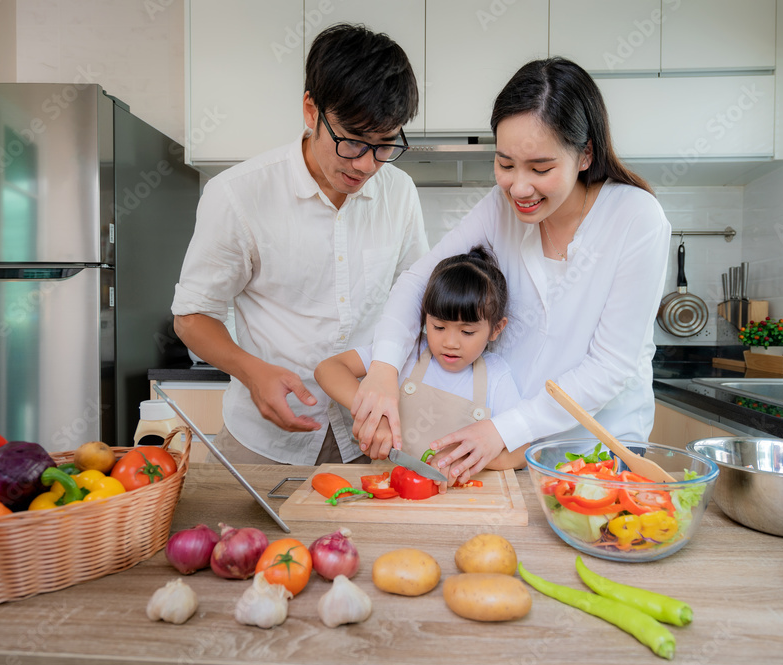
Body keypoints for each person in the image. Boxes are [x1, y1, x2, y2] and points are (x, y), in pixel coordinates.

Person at [350, 57, 672, 483]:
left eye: (540, 169)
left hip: (597, 453)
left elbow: (609, 365)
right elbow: (416, 281)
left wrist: (502, 430)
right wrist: (384, 370)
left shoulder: (635, 219)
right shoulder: (497, 210)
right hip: (509, 451)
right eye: (504, 165)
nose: (519, 188)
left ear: (584, 155)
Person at [171, 24, 428, 465]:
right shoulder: (237, 194)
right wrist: (252, 372)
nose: (367, 164)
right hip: (264, 436)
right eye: (352, 141)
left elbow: (416, 300)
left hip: (368, 433)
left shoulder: (399, 193)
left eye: (385, 145)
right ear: (312, 110)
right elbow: (192, 317)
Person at [315, 247, 527, 473]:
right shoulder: (407, 351)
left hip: (461, 504)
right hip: (388, 495)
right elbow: (328, 369)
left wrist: (463, 461)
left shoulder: (496, 377)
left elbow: (523, 450)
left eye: (467, 332)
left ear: (496, 329)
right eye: (439, 327)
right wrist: (375, 414)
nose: (450, 342)